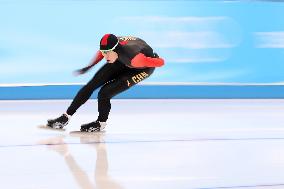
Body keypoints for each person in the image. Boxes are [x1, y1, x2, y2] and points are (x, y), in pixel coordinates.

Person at [47, 34, 165, 132]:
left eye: (107, 53)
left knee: (105, 93)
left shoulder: (136, 59)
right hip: (121, 59)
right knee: (91, 85)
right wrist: (89, 67)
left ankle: (101, 123)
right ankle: (65, 117)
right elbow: (102, 52)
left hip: (142, 67)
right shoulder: (111, 50)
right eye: (104, 52)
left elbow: (161, 62)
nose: (105, 56)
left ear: (115, 49)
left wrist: (153, 59)